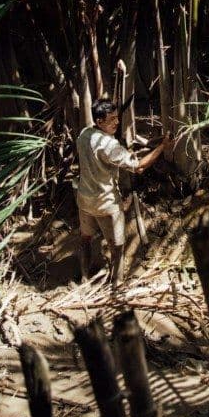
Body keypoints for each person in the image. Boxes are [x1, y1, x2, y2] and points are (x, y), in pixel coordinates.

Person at [75, 100, 172, 283]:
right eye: (111, 119)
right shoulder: (109, 145)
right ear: (99, 121)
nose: (117, 122)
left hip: (84, 199)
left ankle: (84, 278)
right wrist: (162, 147)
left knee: (85, 238)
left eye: (117, 118)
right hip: (106, 203)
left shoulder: (84, 134)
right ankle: (117, 283)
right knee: (117, 245)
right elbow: (139, 167)